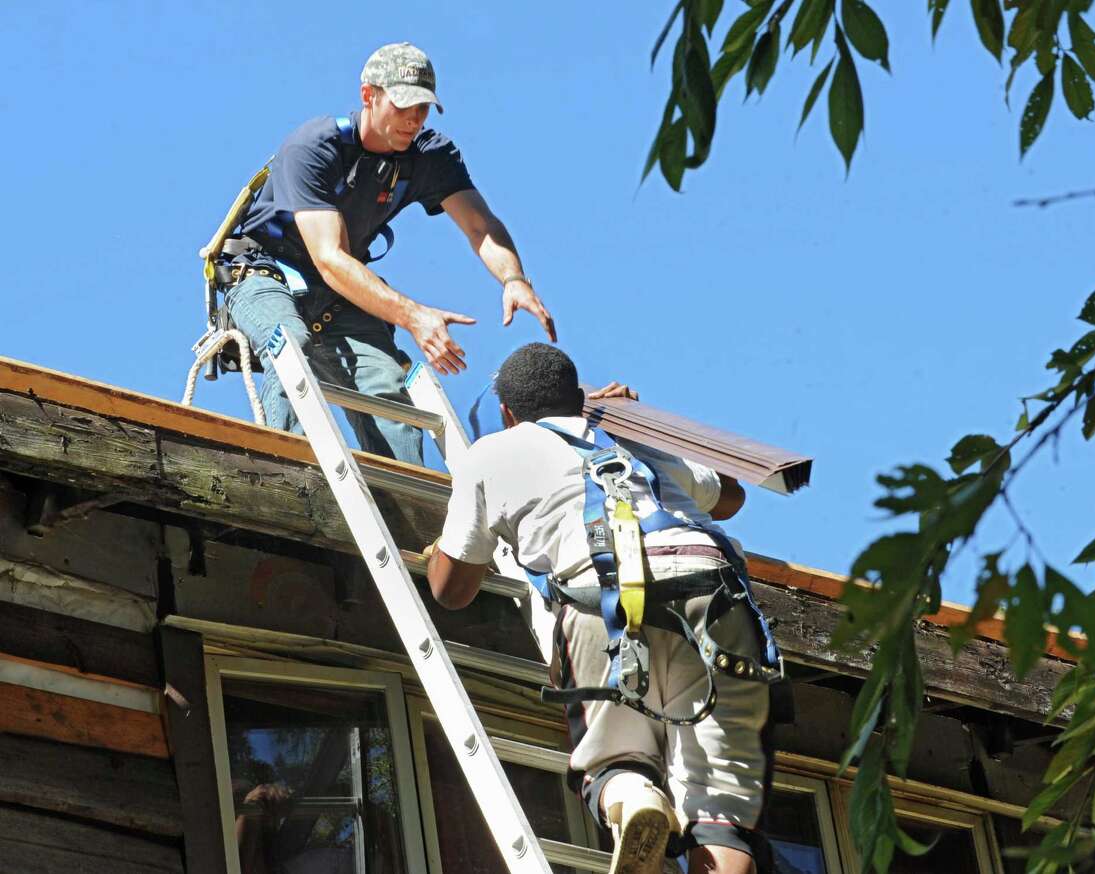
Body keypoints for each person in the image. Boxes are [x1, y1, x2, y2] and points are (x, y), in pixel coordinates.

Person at [425, 343, 777, 874]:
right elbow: (730, 498)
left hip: (602, 602)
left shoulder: (492, 453)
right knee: (717, 807)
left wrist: (444, 548)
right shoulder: (632, 437)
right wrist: (629, 423)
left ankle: (632, 792)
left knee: (616, 758)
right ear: (579, 397)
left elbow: (451, 591)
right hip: (713, 596)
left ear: (508, 413)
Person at [215, 42, 554, 465]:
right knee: (291, 347)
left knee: (386, 384)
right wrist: (413, 316)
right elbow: (330, 258)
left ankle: (410, 512)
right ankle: (293, 479)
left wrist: (514, 279)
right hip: (265, 273)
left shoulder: (429, 155)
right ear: (368, 96)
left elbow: (480, 225)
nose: (414, 119)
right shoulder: (314, 147)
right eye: (404, 105)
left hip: (339, 296)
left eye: (424, 108)